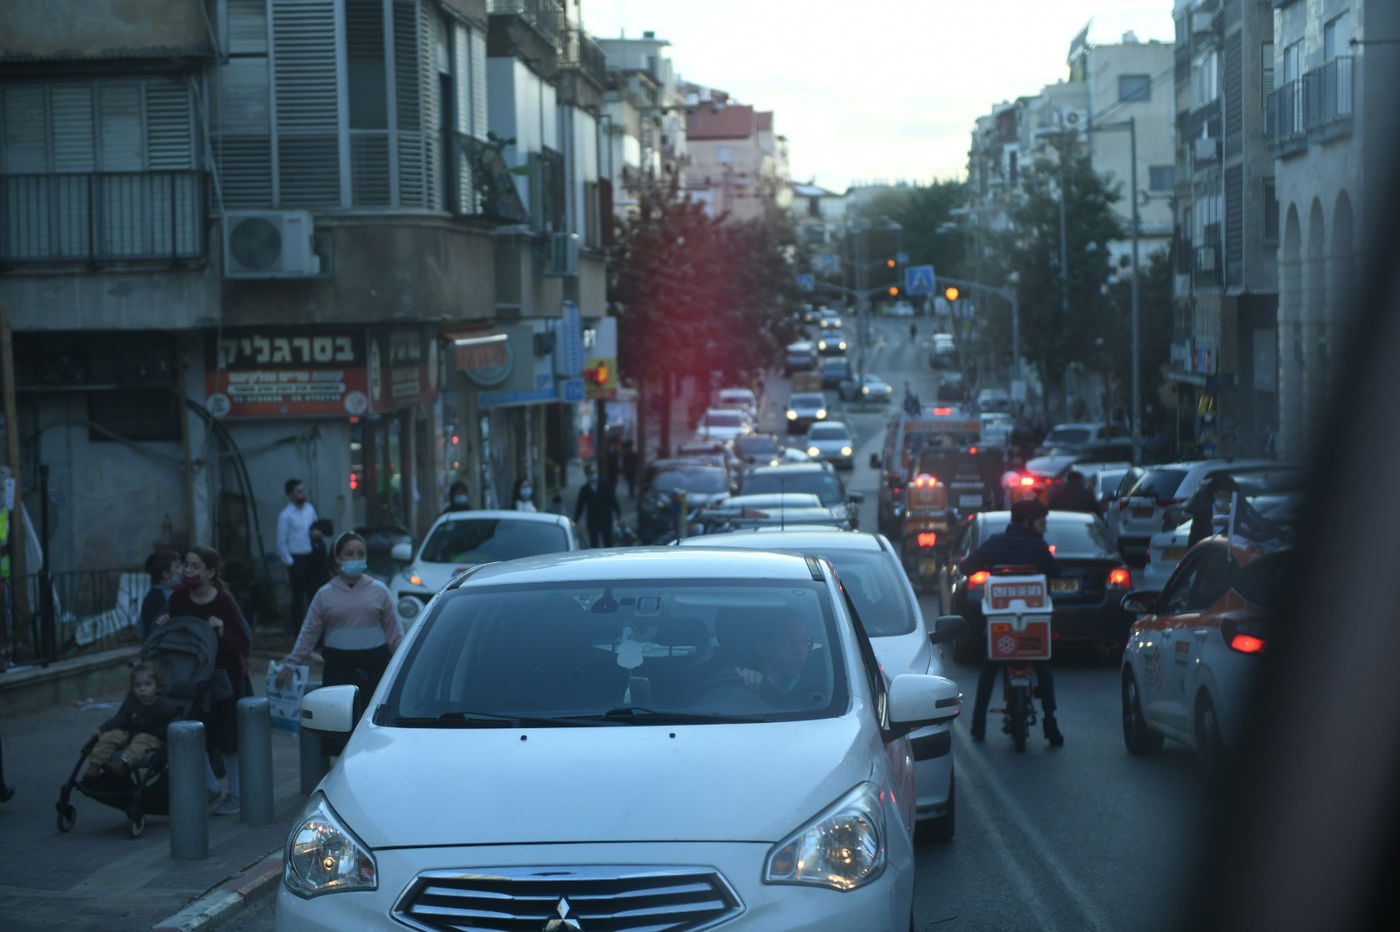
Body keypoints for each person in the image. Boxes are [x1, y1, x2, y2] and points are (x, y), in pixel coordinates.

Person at [961, 499, 1064, 746]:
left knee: (990, 666)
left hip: (1000, 624)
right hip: (1033, 623)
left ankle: (978, 724)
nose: (1044, 526)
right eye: (1041, 521)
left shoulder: (995, 543)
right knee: (1042, 666)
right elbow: (1056, 572)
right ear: (1028, 521)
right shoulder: (1038, 546)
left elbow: (966, 567)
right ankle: (1051, 724)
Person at [276, 532, 402, 727]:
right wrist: (291, 664)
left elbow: (396, 636)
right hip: (338, 669)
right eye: (349, 554)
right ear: (337, 559)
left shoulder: (380, 590)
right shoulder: (324, 594)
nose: (356, 559)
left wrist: (405, 667)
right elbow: (309, 633)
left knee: (371, 725)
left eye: (361, 554)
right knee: (337, 727)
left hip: (374, 668)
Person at [164, 545, 251, 814]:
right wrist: (164, 626)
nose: (187, 571)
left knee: (229, 740)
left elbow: (243, 641)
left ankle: (236, 795)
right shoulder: (178, 598)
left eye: (194, 566)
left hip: (225, 680)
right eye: (185, 565)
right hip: (191, 680)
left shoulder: (223, 601)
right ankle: (211, 789)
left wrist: (221, 632)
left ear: (211, 572)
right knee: (193, 734)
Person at [82, 662, 182, 786]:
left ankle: (122, 764)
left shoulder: (165, 706)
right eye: (137, 685)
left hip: (152, 738)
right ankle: (95, 765)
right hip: (132, 732)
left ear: (158, 686)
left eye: (148, 684)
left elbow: (170, 727)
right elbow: (120, 718)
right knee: (112, 735)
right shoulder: (133, 700)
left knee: (142, 739)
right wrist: (102, 729)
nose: (142, 689)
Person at [735, 611, 823, 709]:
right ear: (763, 647)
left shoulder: (820, 687)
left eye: (806, 641)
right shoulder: (739, 680)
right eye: (790, 641)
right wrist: (748, 691)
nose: (800, 652)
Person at [277, 478, 320, 629]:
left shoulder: (310, 509)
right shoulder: (285, 515)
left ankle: (315, 629)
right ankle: (298, 631)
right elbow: (281, 541)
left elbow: (316, 526)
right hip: (296, 559)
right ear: (290, 495)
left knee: (314, 594)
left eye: (303, 490)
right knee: (298, 597)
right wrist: (290, 562)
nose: (302, 494)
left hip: (311, 556)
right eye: (298, 491)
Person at [573, 463, 623, 547]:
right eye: (590, 473)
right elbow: (580, 506)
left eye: (593, 472)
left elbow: (613, 500)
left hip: (606, 518)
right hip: (593, 520)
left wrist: (618, 513)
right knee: (594, 543)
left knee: (608, 542)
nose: (592, 474)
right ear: (586, 474)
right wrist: (575, 520)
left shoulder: (606, 485)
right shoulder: (585, 489)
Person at [138, 550, 183, 642]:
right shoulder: (162, 595)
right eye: (177, 567)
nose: (181, 570)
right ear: (165, 574)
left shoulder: (157, 593)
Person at [1186, 472, 1239, 547]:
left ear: (1231, 497)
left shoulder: (1235, 512)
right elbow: (1194, 539)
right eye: (1220, 495)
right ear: (1214, 495)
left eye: (1227, 496)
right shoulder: (1202, 514)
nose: (1223, 498)